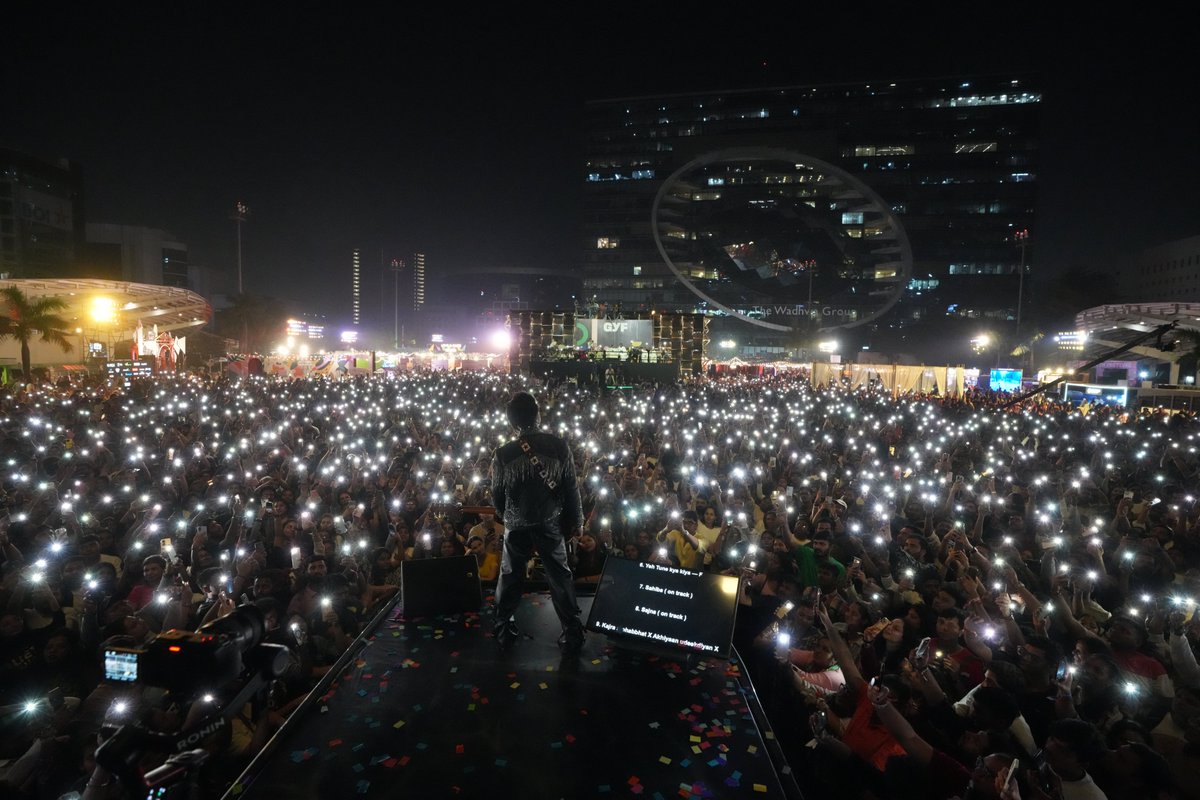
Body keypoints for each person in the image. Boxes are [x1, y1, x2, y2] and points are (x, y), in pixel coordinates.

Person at [490, 392, 586, 654]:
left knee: (510, 573)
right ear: (538, 413)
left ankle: (503, 625)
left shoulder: (503, 453)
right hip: (551, 522)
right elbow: (571, 488)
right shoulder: (559, 446)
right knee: (559, 574)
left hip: (516, 525)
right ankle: (572, 629)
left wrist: (508, 516)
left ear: (512, 422)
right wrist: (577, 521)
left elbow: (497, 495)